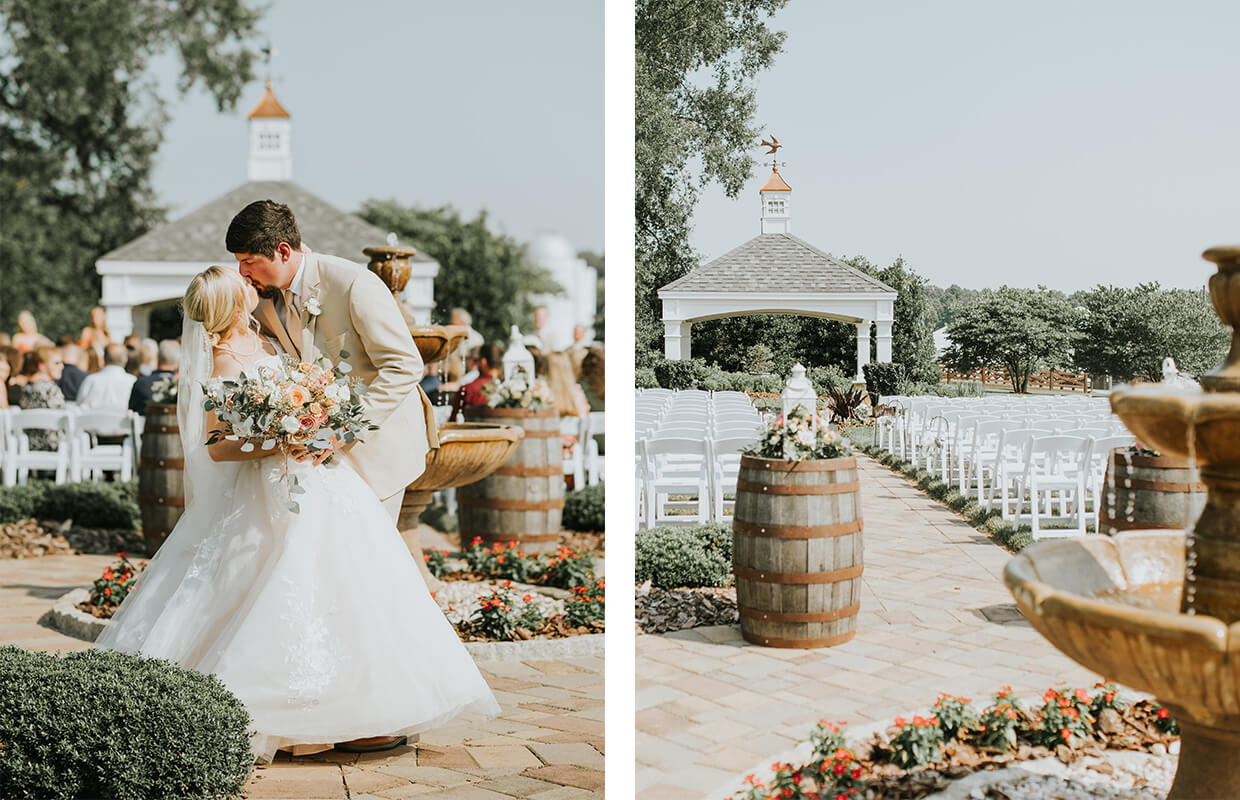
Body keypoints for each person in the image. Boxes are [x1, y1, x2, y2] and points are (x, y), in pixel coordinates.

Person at [93, 264, 500, 766]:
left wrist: (318, 413)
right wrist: (278, 439)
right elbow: (218, 448)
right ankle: (287, 713)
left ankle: (364, 712)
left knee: (352, 582)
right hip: (269, 488)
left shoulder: (265, 335)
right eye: (242, 283)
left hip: (321, 477)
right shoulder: (221, 363)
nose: (252, 284)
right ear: (232, 305)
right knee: (278, 580)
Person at [18, 346, 66, 451]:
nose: (62, 366)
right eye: (57, 363)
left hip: (28, 444)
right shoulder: (51, 390)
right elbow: (63, 420)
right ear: (42, 366)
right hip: (53, 445)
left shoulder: (26, 388)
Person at [77, 343, 138, 412]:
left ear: (104, 358)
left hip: (92, 421)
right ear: (125, 359)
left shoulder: (90, 380)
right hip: (121, 422)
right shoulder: (133, 381)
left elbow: (79, 405)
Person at [450, 343, 502, 420]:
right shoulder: (510, 391)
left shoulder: (467, 390)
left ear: (484, 362)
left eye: (477, 360)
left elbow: (453, 422)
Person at [129, 339, 180, 415]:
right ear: (178, 362)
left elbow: (131, 412)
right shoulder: (182, 387)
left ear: (158, 358)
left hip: (144, 426)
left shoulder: (141, 383)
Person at [442, 308, 484, 384]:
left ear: (462, 322)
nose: (451, 324)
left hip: (465, 378)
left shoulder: (475, 339)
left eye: (453, 322)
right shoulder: (456, 336)